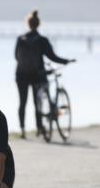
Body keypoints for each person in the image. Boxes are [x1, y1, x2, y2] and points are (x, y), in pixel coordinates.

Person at [14, 10, 74, 138]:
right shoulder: (42, 40)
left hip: (21, 75)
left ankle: (23, 130)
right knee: (38, 102)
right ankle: (39, 128)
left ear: (28, 24)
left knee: (22, 102)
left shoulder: (21, 39)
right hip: (37, 74)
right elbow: (52, 57)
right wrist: (66, 61)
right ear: (38, 24)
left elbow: (16, 57)